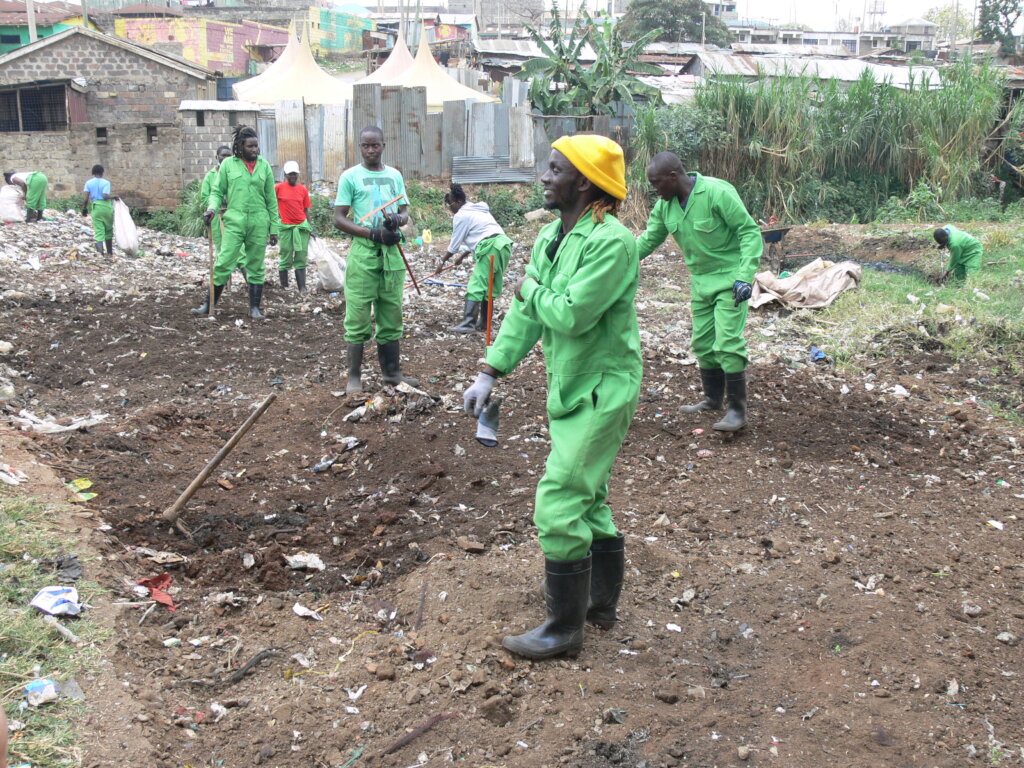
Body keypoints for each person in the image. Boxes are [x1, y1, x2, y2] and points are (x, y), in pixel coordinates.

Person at [463, 135, 641, 660]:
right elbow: (527, 316)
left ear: (584, 182)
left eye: (555, 169)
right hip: (570, 384)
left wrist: (529, 289)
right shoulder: (550, 237)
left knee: (560, 497)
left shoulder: (613, 243)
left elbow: (570, 314)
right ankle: (599, 604)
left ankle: (565, 628)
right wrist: (490, 370)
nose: (545, 176)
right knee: (590, 496)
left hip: (602, 388)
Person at [636, 152, 762, 432]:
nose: (654, 189)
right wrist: (616, 259)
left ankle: (737, 411)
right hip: (701, 282)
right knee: (703, 343)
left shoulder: (716, 193)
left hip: (730, 279)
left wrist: (744, 277)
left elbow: (749, 232)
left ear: (673, 177)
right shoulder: (665, 207)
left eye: (656, 183)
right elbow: (648, 240)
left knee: (727, 342)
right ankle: (712, 400)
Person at [333, 126, 417, 394]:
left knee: (391, 313)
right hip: (364, 254)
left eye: (375, 145)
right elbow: (339, 218)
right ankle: (354, 377)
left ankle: (392, 374)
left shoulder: (394, 175)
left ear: (383, 145)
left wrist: (397, 221)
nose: (370, 150)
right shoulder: (350, 177)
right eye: (365, 145)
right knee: (358, 315)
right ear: (360, 147)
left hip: (391, 256)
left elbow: (404, 211)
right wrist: (372, 233)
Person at [196, 125, 279, 320]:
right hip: (235, 221)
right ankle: (209, 304)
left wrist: (274, 228)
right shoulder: (228, 165)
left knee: (256, 265)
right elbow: (217, 192)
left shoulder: (264, 166)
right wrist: (212, 209)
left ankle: (254, 308)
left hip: (259, 222)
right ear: (240, 146)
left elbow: (271, 200)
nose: (254, 149)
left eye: (256, 146)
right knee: (224, 261)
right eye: (250, 146)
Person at [438, 183, 514, 333]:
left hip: (490, 247)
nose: (450, 208)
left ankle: (468, 323)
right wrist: (462, 257)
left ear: (458, 202)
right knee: (489, 286)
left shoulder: (461, 215)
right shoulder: (478, 210)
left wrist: (442, 261)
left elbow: (454, 245)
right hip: (503, 245)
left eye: (450, 204)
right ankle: (484, 323)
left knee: (476, 285)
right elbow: (481, 234)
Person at [275, 160, 313, 293]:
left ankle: (302, 287)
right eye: (290, 174)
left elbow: (306, 209)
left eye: (295, 174)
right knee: (285, 254)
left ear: (298, 175)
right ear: (285, 175)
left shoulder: (302, 189)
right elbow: (272, 206)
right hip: (286, 227)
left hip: (301, 226)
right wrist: (272, 225)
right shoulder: (278, 188)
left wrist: (310, 227)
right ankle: (284, 286)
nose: (293, 176)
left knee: (301, 256)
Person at [200, 145, 232, 264]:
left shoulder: (234, 173)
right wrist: (217, 202)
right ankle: (222, 272)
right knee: (220, 247)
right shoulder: (210, 175)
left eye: (229, 156)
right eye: (223, 155)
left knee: (235, 247)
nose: (226, 158)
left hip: (232, 215)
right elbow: (204, 197)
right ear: (217, 157)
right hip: (216, 216)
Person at [81, 164, 115, 256]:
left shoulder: (88, 183)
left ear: (93, 173)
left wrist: (84, 208)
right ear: (102, 172)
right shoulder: (106, 183)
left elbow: (85, 198)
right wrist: (113, 197)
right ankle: (109, 253)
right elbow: (105, 195)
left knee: (99, 230)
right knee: (108, 229)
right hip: (107, 207)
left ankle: (100, 253)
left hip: (96, 207)